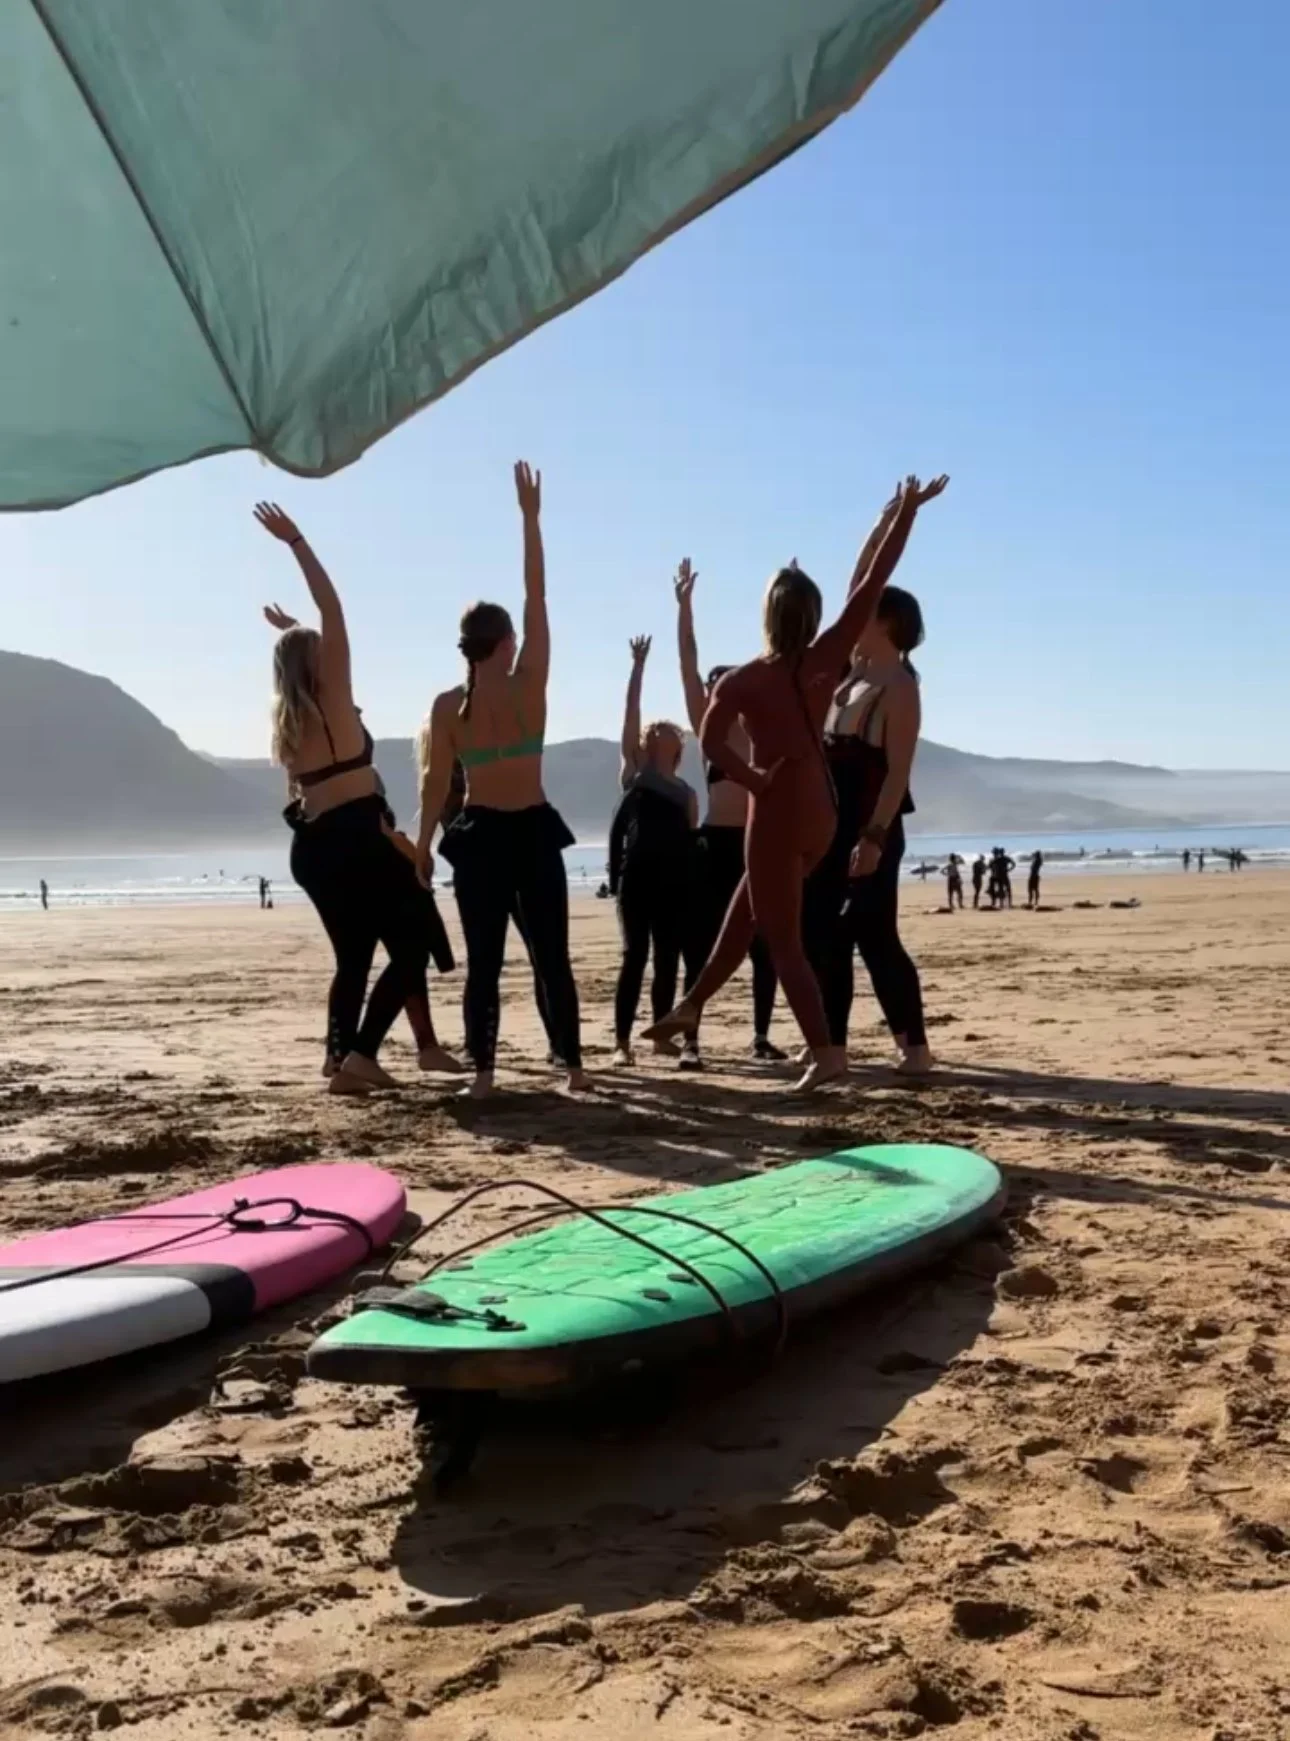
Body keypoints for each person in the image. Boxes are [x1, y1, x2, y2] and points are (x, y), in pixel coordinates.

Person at [646, 473, 941, 1092]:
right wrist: (905, 515)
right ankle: (692, 1004)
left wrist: (754, 778)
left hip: (777, 805)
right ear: (812, 616)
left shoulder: (744, 680)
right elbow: (870, 581)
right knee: (750, 905)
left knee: (784, 939)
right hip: (824, 811)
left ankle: (826, 1051)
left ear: (767, 615)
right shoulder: (830, 654)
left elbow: (712, 736)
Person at [415, 462, 588, 1098]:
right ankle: (570, 1069)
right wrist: (531, 520)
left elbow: (435, 786)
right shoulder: (526, 686)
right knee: (548, 958)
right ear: (506, 642)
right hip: (526, 837)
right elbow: (537, 594)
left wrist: (422, 848)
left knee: (486, 963)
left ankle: (488, 1076)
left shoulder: (447, 705)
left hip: (484, 838)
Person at [257, 504, 432, 1096]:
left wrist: (290, 633)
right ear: (319, 664)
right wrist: (297, 542)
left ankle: (338, 1058)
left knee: (354, 955)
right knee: (413, 949)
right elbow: (334, 610)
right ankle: (361, 1055)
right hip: (359, 836)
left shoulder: (289, 720)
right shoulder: (335, 701)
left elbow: (313, 638)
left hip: (314, 848)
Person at [804, 552, 942, 1077]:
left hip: (870, 826)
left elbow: (897, 771)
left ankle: (914, 1048)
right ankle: (830, 1046)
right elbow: (856, 585)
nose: (853, 619)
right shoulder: (855, 672)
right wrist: (883, 529)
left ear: (887, 623)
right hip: (831, 825)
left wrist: (875, 836)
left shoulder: (901, 687)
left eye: (866, 612)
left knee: (873, 935)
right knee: (823, 932)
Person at [675, 558, 784, 1066]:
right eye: (714, 685)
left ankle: (761, 1037)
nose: (719, 689)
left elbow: (780, 661)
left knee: (765, 946)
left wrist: (784, 600)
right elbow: (687, 666)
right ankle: (691, 1040)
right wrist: (684, 608)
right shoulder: (709, 727)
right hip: (714, 843)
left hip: (757, 844)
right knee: (701, 944)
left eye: (727, 681)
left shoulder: (759, 723)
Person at [609, 635, 698, 1064]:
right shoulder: (637, 773)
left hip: (674, 882)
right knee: (634, 957)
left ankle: (662, 1035)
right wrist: (637, 668)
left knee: (668, 959)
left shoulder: (686, 792)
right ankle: (621, 1043)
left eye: (671, 729)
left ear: (678, 748)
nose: (664, 727)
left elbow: (691, 836)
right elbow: (629, 718)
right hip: (636, 878)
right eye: (656, 727)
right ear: (647, 741)